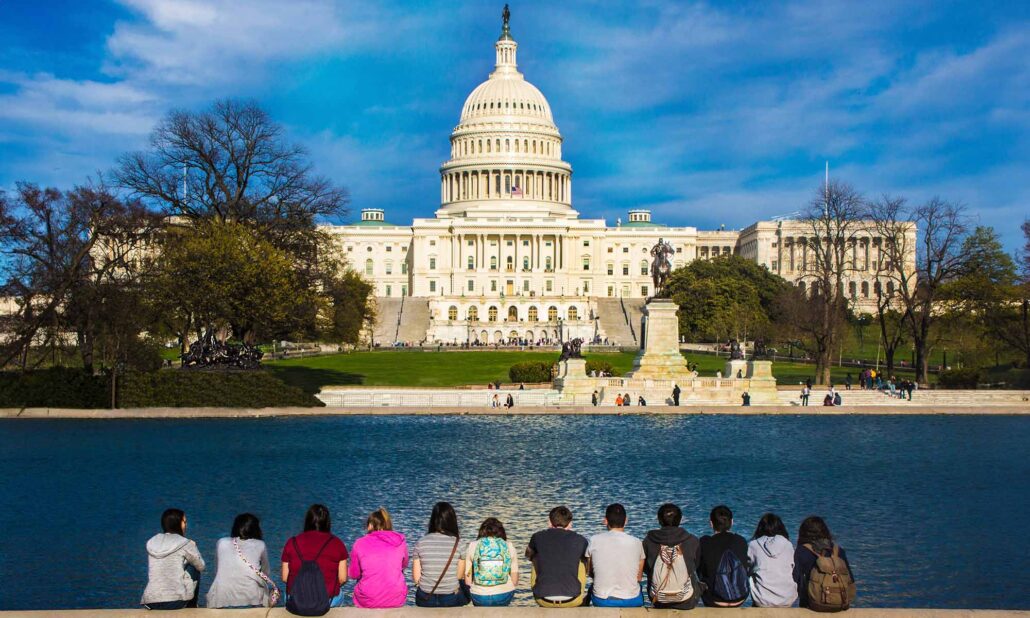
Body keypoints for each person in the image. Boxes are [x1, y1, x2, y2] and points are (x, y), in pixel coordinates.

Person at [281, 504, 349, 611]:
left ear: (307, 521)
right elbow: (343, 578)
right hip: (327, 600)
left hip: (295, 600)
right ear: (328, 522)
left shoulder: (291, 542)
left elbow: (285, 578)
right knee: (340, 595)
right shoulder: (337, 543)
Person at [207, 513, 278, 609]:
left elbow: (217, 571)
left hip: (222, 595)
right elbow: (266, 573)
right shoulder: (260, 544)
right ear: (256, 529)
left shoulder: (221, 542)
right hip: (252, 596)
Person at [141, 508, 206, 610]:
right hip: (176, 602)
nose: (186, 525)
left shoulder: (152, 542)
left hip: (150, 601)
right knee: (193, 567)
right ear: (178, 524)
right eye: (184, 522)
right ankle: (192, 606)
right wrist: (193, 548)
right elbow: (201, 566)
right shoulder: (186, 543)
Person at [525, 506, 589, 607]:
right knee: (582, 560)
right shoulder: (580, 540)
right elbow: (588, 566)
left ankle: (543, 587)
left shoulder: (537, 537)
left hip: (543, 599)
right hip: (572, 600)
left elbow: (528, 555)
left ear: (549, 523)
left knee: (535, 557)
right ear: (570, 524)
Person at [642, 503, 700, 610]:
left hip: (658, 600)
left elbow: (646, 569)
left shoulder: (648, 541)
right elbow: (695, 566)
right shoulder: (692, 541)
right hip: (686, 601)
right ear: (680, 520)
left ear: (659, 520)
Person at [586, 504, 645, 607]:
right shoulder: (637, 542)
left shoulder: (594, 540)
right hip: (631, 600)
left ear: (605, 520)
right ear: (626, 520)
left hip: (602, 600)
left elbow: (590, 571)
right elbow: (639, 578)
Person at [349, 507, 408, 608]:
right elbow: (404, 565)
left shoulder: (359, 543)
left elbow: (354, 574)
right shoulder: (400, 541)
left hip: (368, 599)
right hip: (396, 598)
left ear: (370, 525)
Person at [413, 502, 469, 607]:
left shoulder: (421, 542)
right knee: (465, 590)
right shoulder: (459, 543)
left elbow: (416, 579)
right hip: (450, 597)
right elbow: (459, 576)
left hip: (425, 597)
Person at [793, 516, 856, 610]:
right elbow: (850, 580)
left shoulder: (802, 551)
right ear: (825, 531)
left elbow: (795, 579)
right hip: (840, 603)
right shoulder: (839, 550)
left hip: (812, 604)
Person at [698, 505, 749, 607]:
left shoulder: (704, 542)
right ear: (732, 522)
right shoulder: (741, 541)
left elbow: (699, 570)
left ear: (711, 524)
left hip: (714, 600)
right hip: (740, 598)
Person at [465, 518, 519, 607]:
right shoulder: (509, 546)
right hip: (503, 594)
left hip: (479, 596)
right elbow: (515, 580)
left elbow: (467, 580)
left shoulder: (473, 545)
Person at [747, 513, 796, 608]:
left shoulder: (753, 545)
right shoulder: (788, 545)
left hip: (762, 601)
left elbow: (747, 570)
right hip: (787, 599)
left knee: (753, 572)